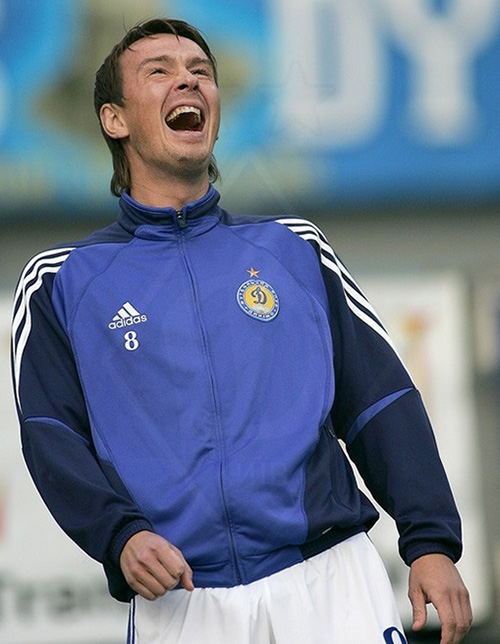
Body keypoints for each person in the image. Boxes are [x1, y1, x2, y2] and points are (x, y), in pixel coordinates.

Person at [11, 18, 472, 644]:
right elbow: (52, 438)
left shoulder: (295, 249)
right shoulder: (60, 282)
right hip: (182, 600)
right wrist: (119, 536)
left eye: (201, 72)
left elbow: (380, 403)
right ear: (114, 119)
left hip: (328, 583)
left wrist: (430, 540)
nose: (188, 82)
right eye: (160, 72)